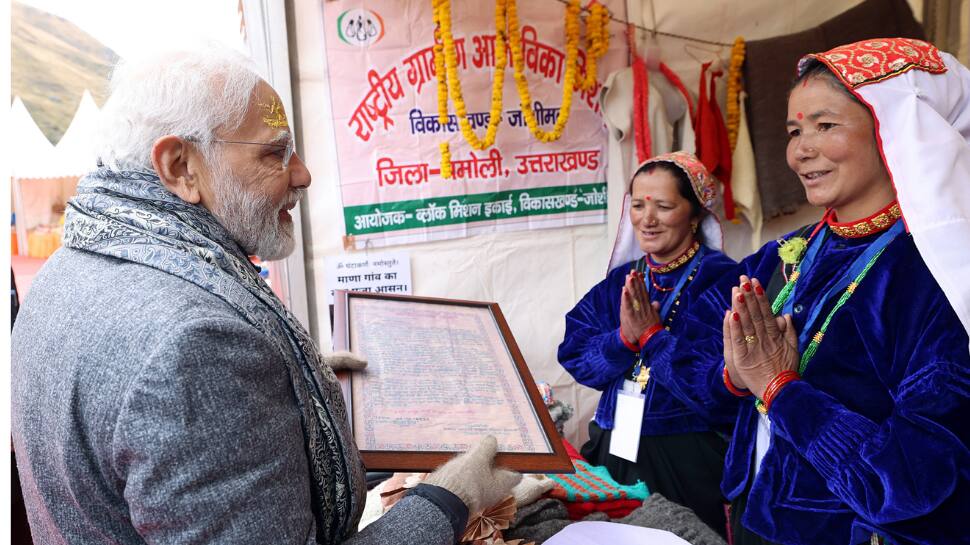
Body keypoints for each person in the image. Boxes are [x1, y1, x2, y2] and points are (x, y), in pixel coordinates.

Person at [10, 45, 519, 545]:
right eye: (275, 152)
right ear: (180, 166)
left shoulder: (68, 266)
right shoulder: (194, 349)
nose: (302, 174)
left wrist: (286, 389)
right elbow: (177, 379)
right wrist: (448, 502)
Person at [646, 39, 970, 545]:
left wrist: (781, 391)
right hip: (753, 515)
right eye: (795, 131)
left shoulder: (940, 278)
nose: (801, 151)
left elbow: (916, 479)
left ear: (894, 132)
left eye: (826, 125)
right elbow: (690, 367)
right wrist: (734, 376)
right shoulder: (782, 255)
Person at [558, 151, 737, 536]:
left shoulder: (721, 281)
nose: (647, 219)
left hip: (686, 455)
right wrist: (622, 340)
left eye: (664, 206)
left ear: (695, 214)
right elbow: (574, 352)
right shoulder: (623, 279)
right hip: (615, 447)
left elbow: (716, 387)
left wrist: (654, 338)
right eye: (638, 205)